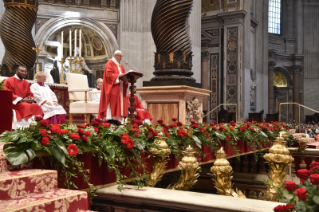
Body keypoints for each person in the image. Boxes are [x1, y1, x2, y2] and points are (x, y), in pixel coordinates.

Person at [98, 50, 128, 124]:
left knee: (120, 104)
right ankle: (111, 120)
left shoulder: (121, 66)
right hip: (113, 88)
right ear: (115, 56)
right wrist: (118, 76)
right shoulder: (110, 63)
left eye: (121, 56)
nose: (121, 58)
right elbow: (108, 76)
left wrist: (127, 78)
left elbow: (124, 75)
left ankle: (118, 121)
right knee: (112, 104)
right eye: (119, 56)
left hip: (120, 89)